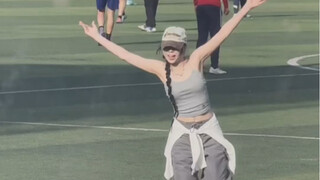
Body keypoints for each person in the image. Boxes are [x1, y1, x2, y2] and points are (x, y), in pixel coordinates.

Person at [79, 0, 267, 179]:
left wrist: (246, 7)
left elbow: (222, 34)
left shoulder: (196, 60)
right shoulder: (161, 69)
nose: (170, 52)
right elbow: (126, 56)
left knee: (216, 175)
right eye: (167, 48)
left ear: (183, 48)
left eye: (175, 48)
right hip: (182, 133)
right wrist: (98, 37)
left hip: (208, 129)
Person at [194, 0, 230, 74]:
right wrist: (226, 6)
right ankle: (214, 66)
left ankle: (196, 65)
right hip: (214, 6)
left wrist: (196, 4)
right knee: (215, 37)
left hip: (201, 6)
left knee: (202, 37)